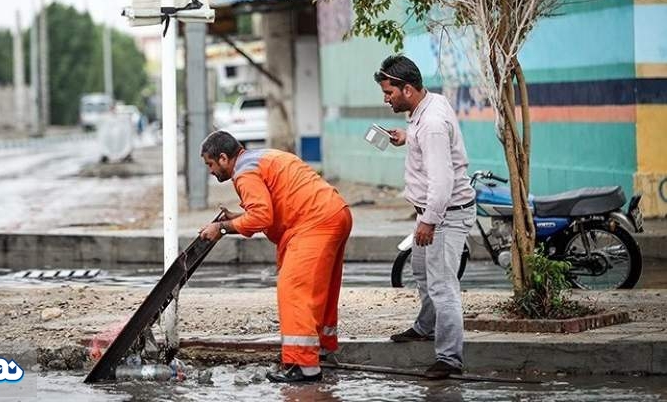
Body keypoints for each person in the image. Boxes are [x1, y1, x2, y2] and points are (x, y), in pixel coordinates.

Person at [198, 131, 352, 383]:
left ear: (224, 158)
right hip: (334, 213)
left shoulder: (244, 174)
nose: (211, 171)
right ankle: (321, 349)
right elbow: (272, 204)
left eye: (210, 164)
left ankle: (305, 366)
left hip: (314, 222)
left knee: (293, 290)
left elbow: (261, 217)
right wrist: (235, 218)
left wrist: (222, 228)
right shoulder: (261, 158)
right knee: (321, 289)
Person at [373, 54, 476, 380]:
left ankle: (449, 359)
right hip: (432, 214)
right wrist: (406, 137)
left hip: (444, 216)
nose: (385, 99)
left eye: (389, 93)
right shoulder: (429, 106)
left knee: (443, 286)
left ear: (407, 89)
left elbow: (442, 181)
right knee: (421, 271)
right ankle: (425, 327)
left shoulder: (430, 124)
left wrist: (429, 221)